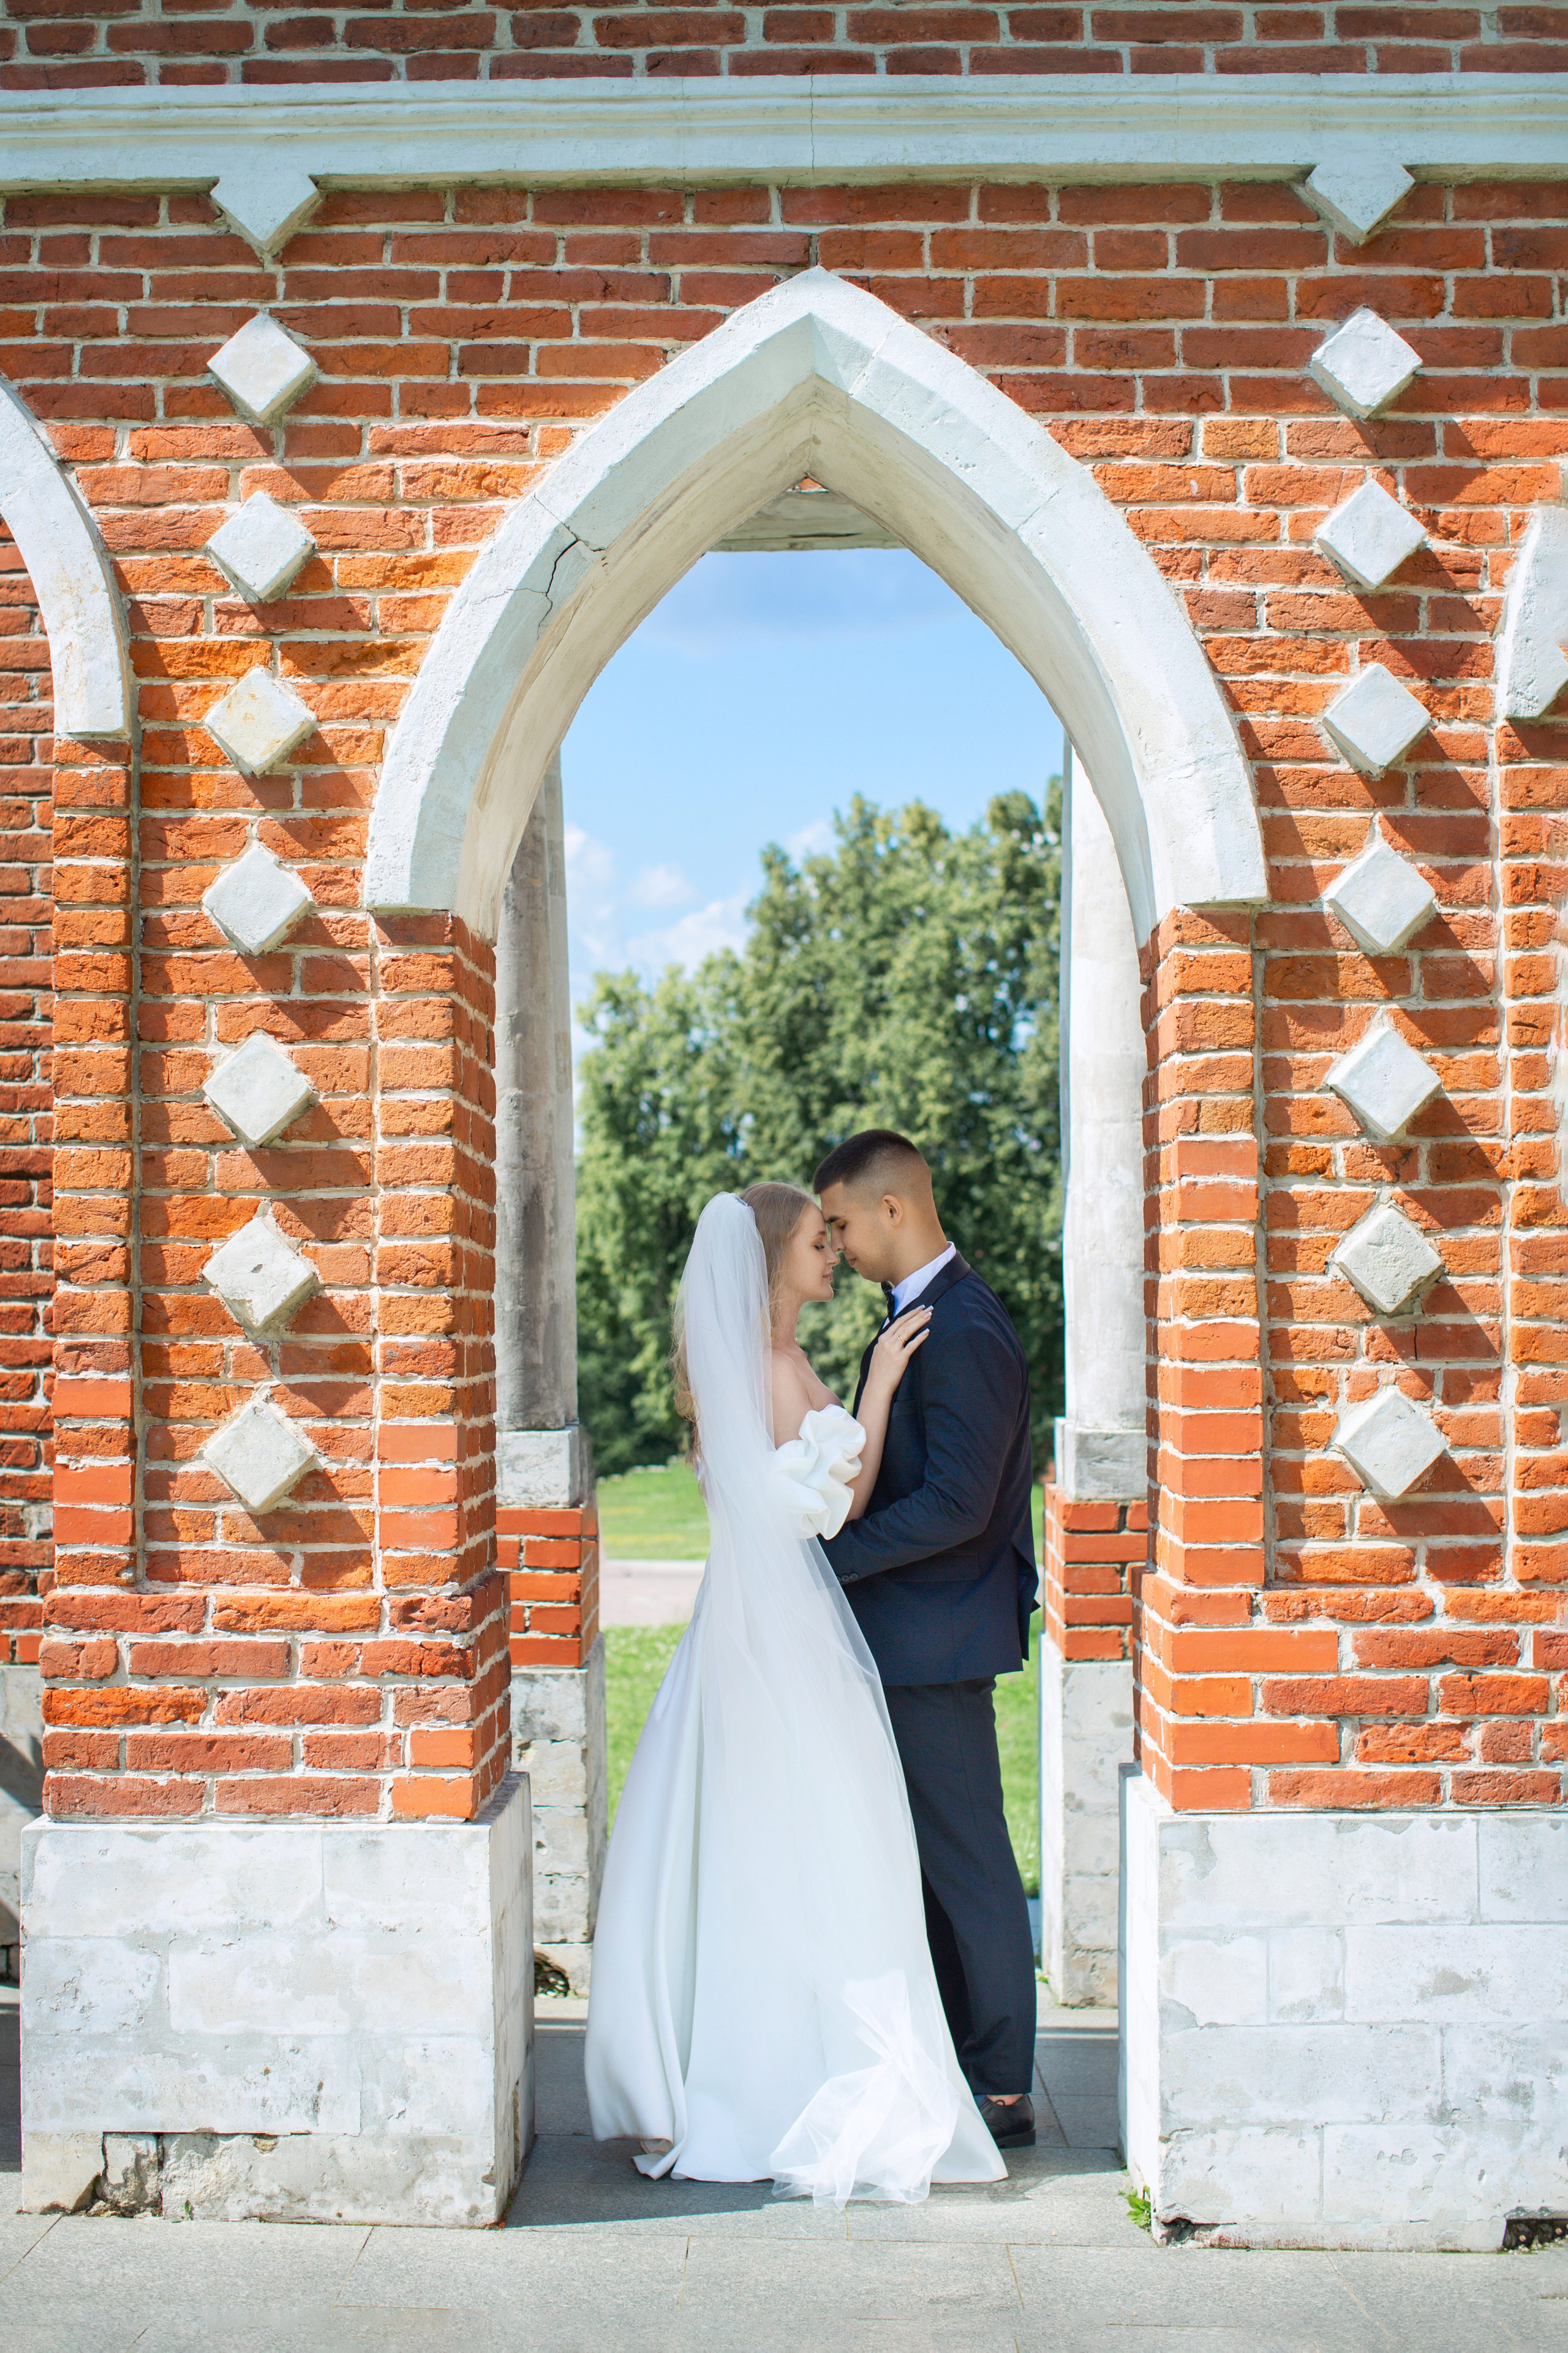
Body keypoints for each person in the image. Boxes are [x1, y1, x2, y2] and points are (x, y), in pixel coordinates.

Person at [584, 1183, 1005, 2205]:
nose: (833, 1255)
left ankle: (763, 2064)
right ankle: (776, 2075)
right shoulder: (773, 1368)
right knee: (801, 1837)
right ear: (777, 1260)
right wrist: (872, 1398)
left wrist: (866, 1397)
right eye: (819, 1243)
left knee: (790, 1835)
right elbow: (815, 1509)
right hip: (776, 1629)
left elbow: (825, 1497)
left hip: (763, 1619)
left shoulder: (773, 1361)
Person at [815, 1130, 1039, 2150]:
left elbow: (957, 1502)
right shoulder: (917, 1322)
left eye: (843, 1224)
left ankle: (1002, 2084)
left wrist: (831, 1560)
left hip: (938, 1645)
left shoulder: (965, 1328)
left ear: (894, 1208)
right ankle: (956, 2056)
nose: (839, 1245)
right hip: (912, 1639)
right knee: (929, 1864)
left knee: (972, 1865)